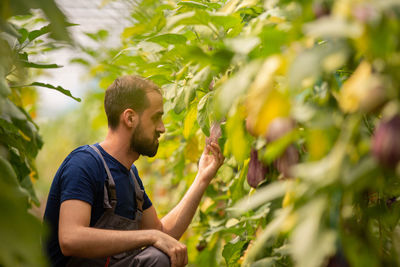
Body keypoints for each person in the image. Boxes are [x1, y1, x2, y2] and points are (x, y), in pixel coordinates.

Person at [43, 75, 224, 267]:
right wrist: (149, 236)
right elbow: (70, 239)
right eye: (156, 118)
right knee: (158, 258)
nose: (162, 128)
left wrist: (203, 177)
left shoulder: (131, 177)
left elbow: (162, 233)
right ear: (130, 118)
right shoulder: (84, 164)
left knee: (161, 255)